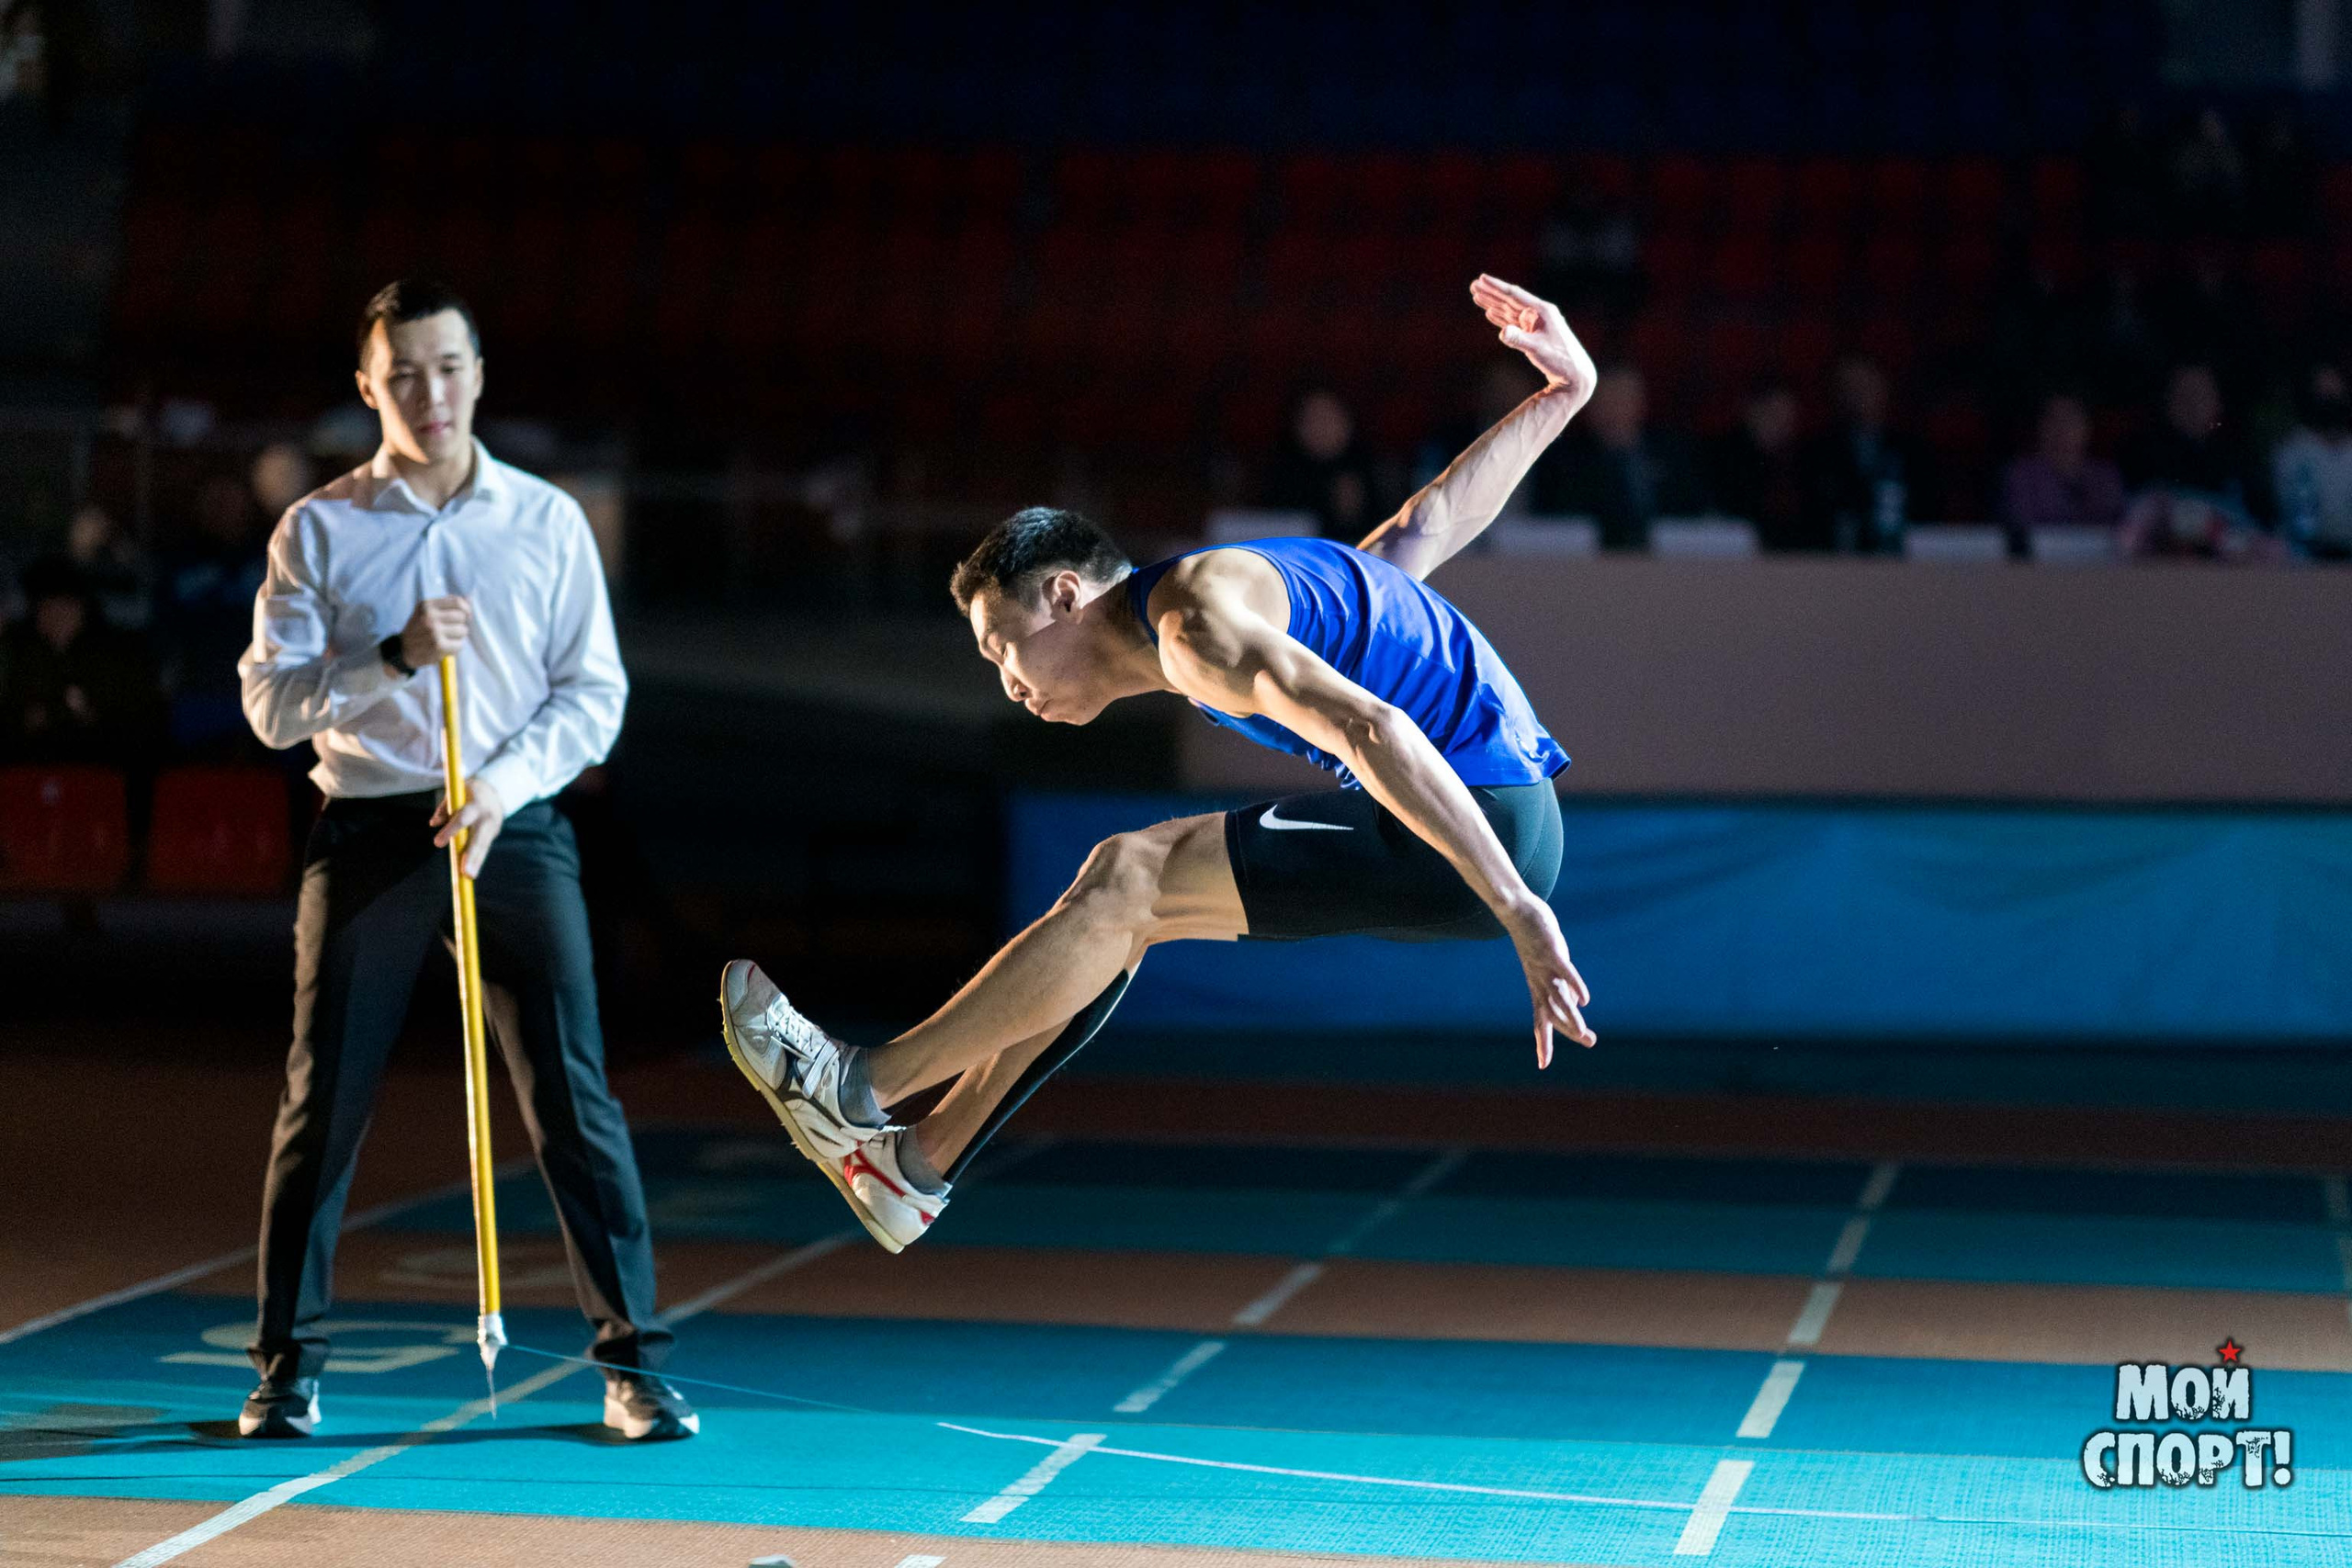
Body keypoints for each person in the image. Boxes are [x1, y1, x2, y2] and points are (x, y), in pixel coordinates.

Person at [718, 275, 1597, 1253]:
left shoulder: (1195, 632)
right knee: (1117, 907)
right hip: (1487, 817)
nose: (1005, 682)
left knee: (1129, 877)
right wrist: (1561, 397)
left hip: (1477, 827)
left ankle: (855, 1087)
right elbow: (1420, 531)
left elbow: (1376, 731)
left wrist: (1518, 906)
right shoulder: (1219, 600)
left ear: (1060, 596)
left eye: (999, 649)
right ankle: (909, 1169)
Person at [234, 279, 695, 1441]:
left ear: (478, 375)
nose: (427, 394)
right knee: (323, 1098)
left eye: (446, 369)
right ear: (368, 387)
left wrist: (499, 787)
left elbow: (593, 698)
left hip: (511, 819)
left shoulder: (544, 522)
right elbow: (271, 708)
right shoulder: (321, 528)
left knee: (571, 1096)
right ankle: (287, 1367)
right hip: (371, 825)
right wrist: (390, 656)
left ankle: (633, 1362)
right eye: (402, 374)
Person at [0, 554, 163, 767]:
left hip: (102, 769)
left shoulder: (116, 654)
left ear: (82, 607)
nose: (55, 617)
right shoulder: (22, 654)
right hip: (31, 769)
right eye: (46, 607)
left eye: (64, 606)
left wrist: (88, 714)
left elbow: (140, 719)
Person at [1534, 363, 1702, 550]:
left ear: (1641, 403)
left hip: (1670, 566)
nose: (1614, 410)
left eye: (1623, 399)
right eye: (1605, 400)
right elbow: (1557, 523)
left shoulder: (1671, 453)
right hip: (1589, 567)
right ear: (1588, 406)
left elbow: (1694, 516)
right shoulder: (1564, 461)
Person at [1802, 355, 1915, 555]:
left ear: (1884, 390)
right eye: (1850, 388)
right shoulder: (1818, 451)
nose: (1859, 395)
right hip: (1833, 558)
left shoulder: (1911, 450)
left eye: (1866, 386)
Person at [2000, 392, 2125, 556]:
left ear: (2086, 427)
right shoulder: (2021, 476)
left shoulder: (2105, 477)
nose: (2061, 430)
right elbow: (2023, 530)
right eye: (2053, 420)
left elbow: (2120, 529)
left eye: (2070, 420)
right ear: (2040, 427)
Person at [1263, 387, 1378, 539]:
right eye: (1312, 418)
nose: (1321, 427)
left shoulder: (1372, 474)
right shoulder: (1278, 476)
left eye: (1329, 417)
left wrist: (1351, 514)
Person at [1708, 379, 1808, 550]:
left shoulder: (1802, 462)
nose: (1780, 426)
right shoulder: (1722, 458)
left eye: (1787, 418)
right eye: (1772, 414)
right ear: (1751, 409)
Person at [2271, 363, 2352, 560]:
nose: (2329, 400)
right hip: (2305, 558)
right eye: (2323, 394)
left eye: (2334, 393)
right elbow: (2295, 516)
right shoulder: (2292, 451)